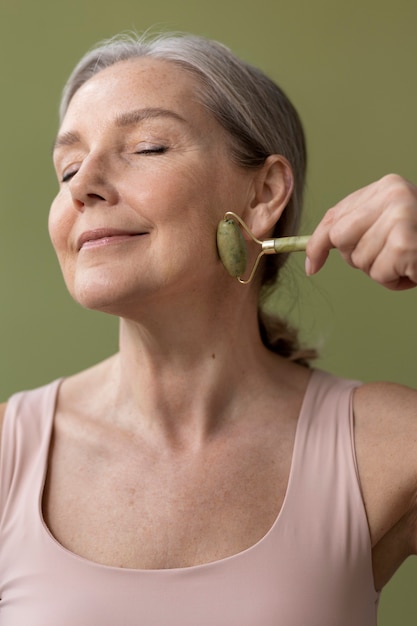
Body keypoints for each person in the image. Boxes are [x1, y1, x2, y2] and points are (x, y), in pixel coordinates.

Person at [0, 31, 416, 626]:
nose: (83, 185)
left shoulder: (386, 447)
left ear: (263, 193)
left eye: (146, 147)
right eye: (67, 168)